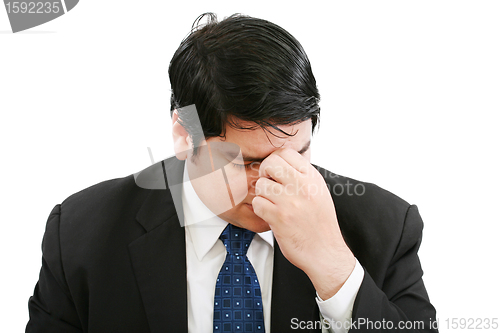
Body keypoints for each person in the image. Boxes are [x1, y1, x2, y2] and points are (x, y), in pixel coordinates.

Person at [26, 13, 437, 332]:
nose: (277, 181)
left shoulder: (384, 226)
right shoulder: (80, 236)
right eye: (249, 162)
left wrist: (335, 270)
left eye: (298, 154)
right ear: (184, 136)